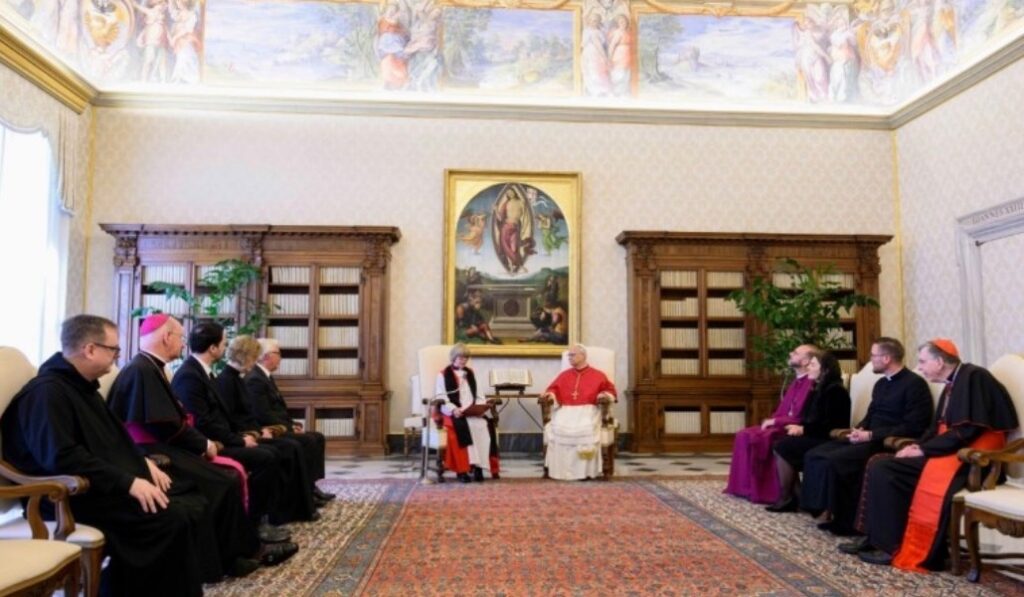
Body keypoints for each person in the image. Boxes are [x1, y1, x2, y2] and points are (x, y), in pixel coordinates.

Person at [2, 315, 204, 596]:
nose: (117, 357)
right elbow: (61, 458)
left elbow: (111, 439)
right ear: (90, 349)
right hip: (65, 498)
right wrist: (128, 482)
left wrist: (141, 463)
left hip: (96, 487)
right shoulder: (47, 393)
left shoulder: (80, 386)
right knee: (168, 519)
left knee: (187, 501)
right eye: (113, 350)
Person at [108, 313, 295, 577]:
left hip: (165, 446)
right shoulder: (142, 370)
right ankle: (233, 556)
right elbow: (168, 425)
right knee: (225, 479)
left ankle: (242, 549)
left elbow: (174, 420)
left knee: (227, 476)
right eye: (181, 337)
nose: (183, 344)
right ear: (166, 337)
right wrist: (204, 444)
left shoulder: (151, 367)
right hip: (154, 452)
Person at [841, 339, 1018, 571]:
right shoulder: (952, 383)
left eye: (923, 361)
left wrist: (924, 449)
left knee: (885, 469)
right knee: (881, 463)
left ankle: (892, 545)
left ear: (939, 361)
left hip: (973, 457)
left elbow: (967, 430)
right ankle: (879, 538)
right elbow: (936, 429)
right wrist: (917, 446)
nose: (920, 366)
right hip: (951, 449)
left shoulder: (974, 377)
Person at [172, 321, 316, 527]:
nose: (225, 347)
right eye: (223, 343)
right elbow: (203, 422)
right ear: (212, 348)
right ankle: (254, 522)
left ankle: (275, 513)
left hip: (225, 437)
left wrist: (246, 436)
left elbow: (223, 417)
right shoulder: (190, 375)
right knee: (268, 456)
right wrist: (240, 440)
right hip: (210, 445)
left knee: (279, 450)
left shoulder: (203, 372)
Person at [801, 337, 933, 535]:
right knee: (815, 454)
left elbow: (914, 425)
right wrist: (860, 430)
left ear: (887, 358)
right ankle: (823, 509)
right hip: (868, 438)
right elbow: (872, 414)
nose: (871, 360)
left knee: (835, 460)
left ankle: (849, 523)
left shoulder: (915, 384)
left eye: (873, 355)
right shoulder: (881, 384)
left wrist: (871, 435)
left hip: (887, 442)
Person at [217, 335, 325, 512]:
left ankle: (302, 496)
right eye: (254, 357)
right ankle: (284, 507)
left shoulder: (237, 378)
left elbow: (248, 415)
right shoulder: (230, 380)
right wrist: (256, 433)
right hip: (242, 437)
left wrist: (259, 430)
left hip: (254, 431)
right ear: (247, 356)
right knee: (290, 447)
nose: (256, 361)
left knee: (298, 444)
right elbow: (238, 418)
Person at [724, 344, 818, 504]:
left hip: (794, 427)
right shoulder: (796, 381)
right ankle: (745, 488)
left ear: (806, 361)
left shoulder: (811, 384)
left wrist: (776, 421)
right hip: (782, 423)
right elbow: (784, 409)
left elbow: (801, 416)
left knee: (760, 438)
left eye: (795, 353)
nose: (790, 353)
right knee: (743, 434)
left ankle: (770, 492)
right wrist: (775, 420)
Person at [245, 337, 334, 503]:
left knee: (317, 437)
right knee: (307, 441)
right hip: (268, 429)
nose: (281, 357)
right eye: (278, 353)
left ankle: (311, 486)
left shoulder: (266, 376)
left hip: (279, 426)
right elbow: (263, 414)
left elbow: (280, 409)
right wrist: (288, 428)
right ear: (265, 356)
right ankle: (304, 492)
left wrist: (292, 424)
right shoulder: (255, 379)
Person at [766, 351, 850, 512]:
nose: (808, 368)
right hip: (815, 434)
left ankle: (788, 497)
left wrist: (804, 428)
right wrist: (799, 427)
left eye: (813, 365)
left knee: (783, 447)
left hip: (828, 438)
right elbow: (808, 417)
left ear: (825, 370)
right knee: (782, 444)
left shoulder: (835, 391)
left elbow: (833, 425)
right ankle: (797, 496)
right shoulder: (817, 389)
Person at [541, 344, 617, 481]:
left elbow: (610, 391)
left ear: (583, 356)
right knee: (558, 429)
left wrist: (603, 395)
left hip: (589, 410)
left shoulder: (598, 375)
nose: (569, 358)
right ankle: (561, 472)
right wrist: (550, 395)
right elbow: (553, 389)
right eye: (569, 355)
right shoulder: (564, 375)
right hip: (566, 410)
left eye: (572, 355)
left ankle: (585, 472)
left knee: (584, 428)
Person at [435, 343, 500, 482]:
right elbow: (441, 396)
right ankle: (462, 470)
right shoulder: (443, 374)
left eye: (465, 358)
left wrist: (481, 407)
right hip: (454, 413)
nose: (463, 360)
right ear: (453, 358)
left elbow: (479, 394)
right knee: (462, 428)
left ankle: (479, 468)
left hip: (471, 411)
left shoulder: (470, 373)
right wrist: (453, 409)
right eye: (460, 358)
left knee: (483, 426)